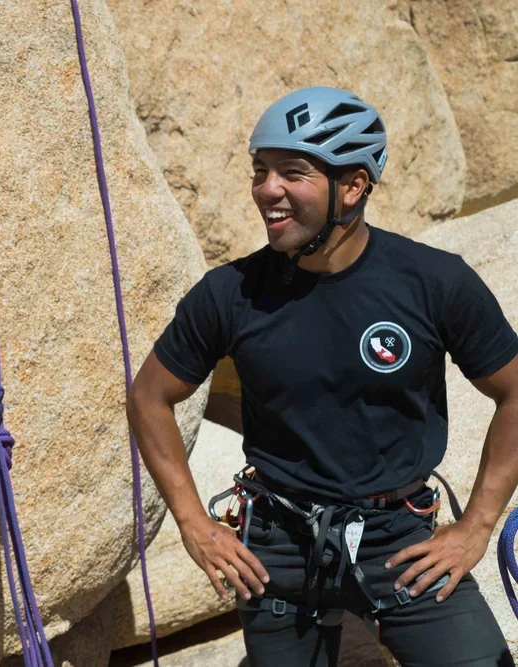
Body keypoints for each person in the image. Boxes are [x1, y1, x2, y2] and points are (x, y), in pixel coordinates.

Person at [127, 86, 518, 666]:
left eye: (293, 173)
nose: (267, 190)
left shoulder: (433, 282)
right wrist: (192, 521)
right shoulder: (230, 294)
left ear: (353, 186)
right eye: (260, 171)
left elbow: (514, 392)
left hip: (399, 539)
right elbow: (149, 397)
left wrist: (477, 526)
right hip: (277, 545)